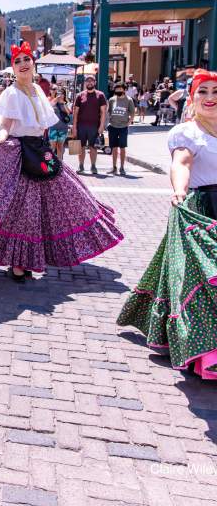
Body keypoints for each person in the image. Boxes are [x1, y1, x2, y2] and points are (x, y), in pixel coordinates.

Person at [0, 41, 122, 282]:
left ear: (33, 63)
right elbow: (4, 125)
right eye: (17, 61)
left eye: (26, 59)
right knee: (21, 210)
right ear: (13, 68)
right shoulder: (11, 94)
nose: (23, 64)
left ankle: (33, 257)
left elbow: (43, 124)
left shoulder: (37, 90)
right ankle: (18, 263)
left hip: (39, 150)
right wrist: (1, 140)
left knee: (68, 197)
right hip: (17, 152)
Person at [117, 69, 217, 379]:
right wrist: (179, 190)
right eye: (203, 92)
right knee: (203, 277)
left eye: (215, 91)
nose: (210, 98)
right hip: (201, 209)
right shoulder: (187, 133)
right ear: (192, 97)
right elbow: (181, 163)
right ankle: (207, 353)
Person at [73, 75, 107, 174]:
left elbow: (103, 112)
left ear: (95, 82)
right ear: (85, 83)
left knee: (93, 147)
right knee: (80, 147)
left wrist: (101, 126)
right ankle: (81, 166)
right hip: (81, 126)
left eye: (91, 81)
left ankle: (93, 166)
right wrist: (74, 127)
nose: (89, 83)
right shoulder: (80, 95)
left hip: (94, 126)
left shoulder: (100, 95)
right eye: (87, 81)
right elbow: (75, 112)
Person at [106, 82, 135, 175]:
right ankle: (114, 167)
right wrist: (107, 123)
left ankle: (122, 167)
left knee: (122, 148)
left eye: (120, 89)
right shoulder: (112, 100)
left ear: (124, 89)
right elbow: (108, 112)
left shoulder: (129, 100)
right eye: (116, 89)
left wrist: (129, 123)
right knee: (114, 148)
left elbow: (132, 113)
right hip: (113, 126)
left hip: (123, 127)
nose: (118, 90)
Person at [48, 88, 71, 159]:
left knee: (60, 148)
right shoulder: (53, 102)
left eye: (61, 93)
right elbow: (49, 107)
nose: (60, 95)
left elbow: (68, 112)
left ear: (64, 95)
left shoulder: (67, 103)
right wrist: (56, 99)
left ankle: (59, 164)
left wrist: (63, 103)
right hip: (53, 128)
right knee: (52, 148)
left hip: (63, 129)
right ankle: (51, 166)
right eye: (58, 93)